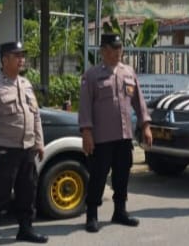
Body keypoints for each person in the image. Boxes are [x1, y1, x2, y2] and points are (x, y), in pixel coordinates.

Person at [78, 33, 152, 233]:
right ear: (103, 51)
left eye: (119, 49)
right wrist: (87, 132)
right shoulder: (92, 75)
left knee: (122, 175)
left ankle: (120, 211)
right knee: (98, 176)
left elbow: (139, 100)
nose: (117, 53)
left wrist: (145, 125)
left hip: (124, 135)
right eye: (112, 49)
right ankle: (92, 214)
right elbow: (84, 107)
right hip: (101, 138)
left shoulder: (128, 72)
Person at [0, 41, 48, 246]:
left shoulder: (26, 84)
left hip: (27, 150)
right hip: (5, 151)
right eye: (17, 56)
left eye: (22, 55)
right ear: (5, 60)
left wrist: (39, 142)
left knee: (28, 192)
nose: (21, 59)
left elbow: (35, 116)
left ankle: (26, 229)